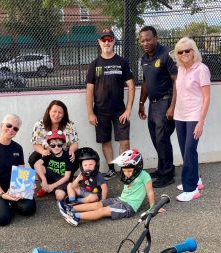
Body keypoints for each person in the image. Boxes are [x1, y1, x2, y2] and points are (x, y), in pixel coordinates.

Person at [58, 149, 159, 227]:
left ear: (138, 167)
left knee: (103, 211)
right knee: (98, 204)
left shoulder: (145, 176)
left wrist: (153, 208)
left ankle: (76, 217)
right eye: (124, 170)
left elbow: (150, 192)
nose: (126, 173)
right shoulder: (127, 174)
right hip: (119, 199)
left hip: (128, 207)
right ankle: (70, 208)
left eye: (129, 171)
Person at [86, 28, 135, 180]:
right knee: (105, 140)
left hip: (119, 111)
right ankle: (112, 169)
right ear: (99, 42)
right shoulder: (94, 65)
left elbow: (131, 86)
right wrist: (90, 113)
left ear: (114, 41)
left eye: (109, 39)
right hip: (100, 111)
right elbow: (89, 91)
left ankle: (125, 171)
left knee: (125, 142)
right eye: (103, 40)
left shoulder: (122, 62)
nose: (107, 42)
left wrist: (128, 110)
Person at [138, 26, 177, 188]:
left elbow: (177, 82)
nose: (145, 43)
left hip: (165, 102)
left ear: (156, 38)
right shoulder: (144, 59)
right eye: (142, 40)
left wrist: (172, 107)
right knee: (156, 138)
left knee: (162, 139)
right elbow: (146, 83)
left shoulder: (166, 54)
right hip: (153, 104)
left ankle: (167, 175)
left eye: (148, 39)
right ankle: (163, 169)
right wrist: (141, 104)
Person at [173, 37, 210, 202]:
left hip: (195, 115)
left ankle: (191, 189)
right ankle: (196, 179)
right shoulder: (180, 69)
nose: (184, 54)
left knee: (189, 150)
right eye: (180, 52)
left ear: (193, 51)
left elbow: (207, 98)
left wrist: (201, 121)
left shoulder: (201, 69)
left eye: (187, 50)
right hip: (179, 115)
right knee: (185, 150)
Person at [29, 100, 79, 174]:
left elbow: (75, 142)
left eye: (60, 112)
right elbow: (36, 144)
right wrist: (43, 151)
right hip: (48, 154)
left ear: (64, 114)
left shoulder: (70, 125)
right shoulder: (39, 124)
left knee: (78, 155)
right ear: (49, 111)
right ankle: (44, 179)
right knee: (34, 158)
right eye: (54, 111)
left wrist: (71, 151)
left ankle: (68, 179)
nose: (57, 115)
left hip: (64, 154)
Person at [34, 130, 72, 200]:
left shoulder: (67, 156)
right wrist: (44, 180)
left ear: (63, 145)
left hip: (62, 180)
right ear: (49, 146)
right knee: (40, 167)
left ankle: (50, 188)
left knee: (59, 197)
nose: (56, 147)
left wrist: (52, 186)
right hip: (51, 177)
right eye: (53, 145)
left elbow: (67, 177)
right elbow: (36, 165)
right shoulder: (49, 154)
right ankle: (45, 186)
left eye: (59, 145)